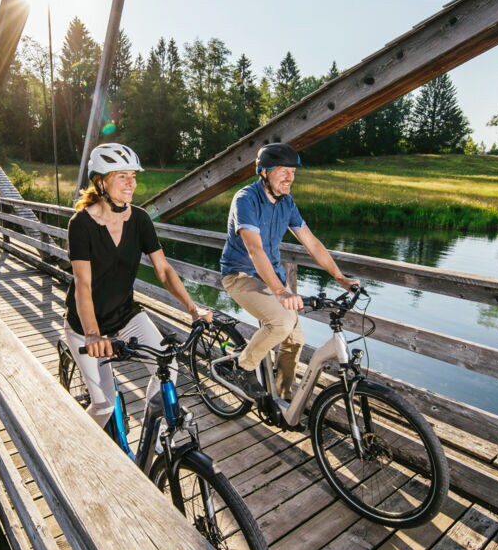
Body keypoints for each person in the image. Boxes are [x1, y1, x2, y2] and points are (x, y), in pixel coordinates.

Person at [65, 142, 212, 427]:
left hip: (125, 315)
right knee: (104, 405)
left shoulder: (141, 219)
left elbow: (164, 270)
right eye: (122, 176)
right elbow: (83, 284)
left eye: (133, 175)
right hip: (86, 327)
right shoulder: (80, 224)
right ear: (101, 182)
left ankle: (153, 440)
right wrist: (93, 335)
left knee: (168, 368)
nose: (131, 183)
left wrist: (193, 309)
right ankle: (78, 444)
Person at [218, 142, 355, 399]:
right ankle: (240, 366)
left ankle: (282, 399)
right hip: (240, 275)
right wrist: (281, 291)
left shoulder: (287, 203)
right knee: (281, 323)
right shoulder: (246, 199)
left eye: (293, 171)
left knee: (295, 339)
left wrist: (340, 277)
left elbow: (311, 242)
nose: (290, 177)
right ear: (264, 172)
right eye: (283, 170)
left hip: (273, 279)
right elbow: (254, 250)